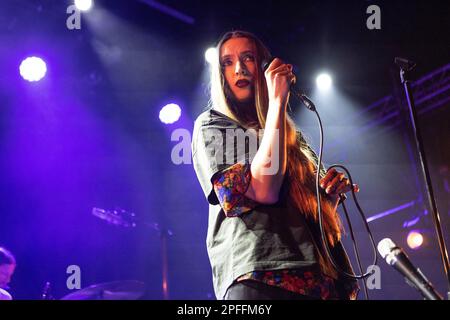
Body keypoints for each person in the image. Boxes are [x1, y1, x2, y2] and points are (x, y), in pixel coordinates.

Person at [191, 30, 360, 300]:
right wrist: (278, 101)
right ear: (220, 74)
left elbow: (311, 216)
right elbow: (264, 190)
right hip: (263, 278)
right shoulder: (213, 124)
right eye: (228, 62)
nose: (239, 68)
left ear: (264, 67)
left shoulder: (294, 139)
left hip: (321, 278)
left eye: (248, 58)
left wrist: (329, 196)